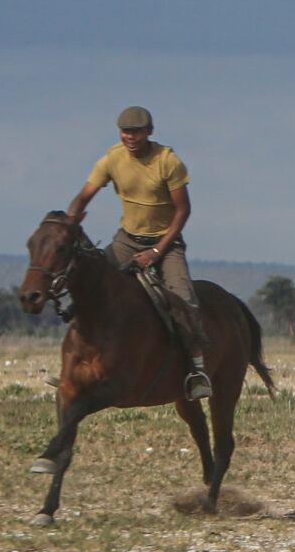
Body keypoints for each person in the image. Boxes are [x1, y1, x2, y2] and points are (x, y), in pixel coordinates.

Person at [65, 105, 212, 401]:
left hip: (166, 242)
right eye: (125, 132)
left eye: (136, 132)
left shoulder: (167, 161)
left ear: (149, 132)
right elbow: (83, 196)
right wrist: (70, 222)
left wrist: (157, 251)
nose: (130, 137)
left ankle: (197, 370)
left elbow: (183, 210)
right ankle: (75, 365)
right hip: (127, 240)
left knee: (184, 301)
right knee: (88, 284)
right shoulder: (112, 159)